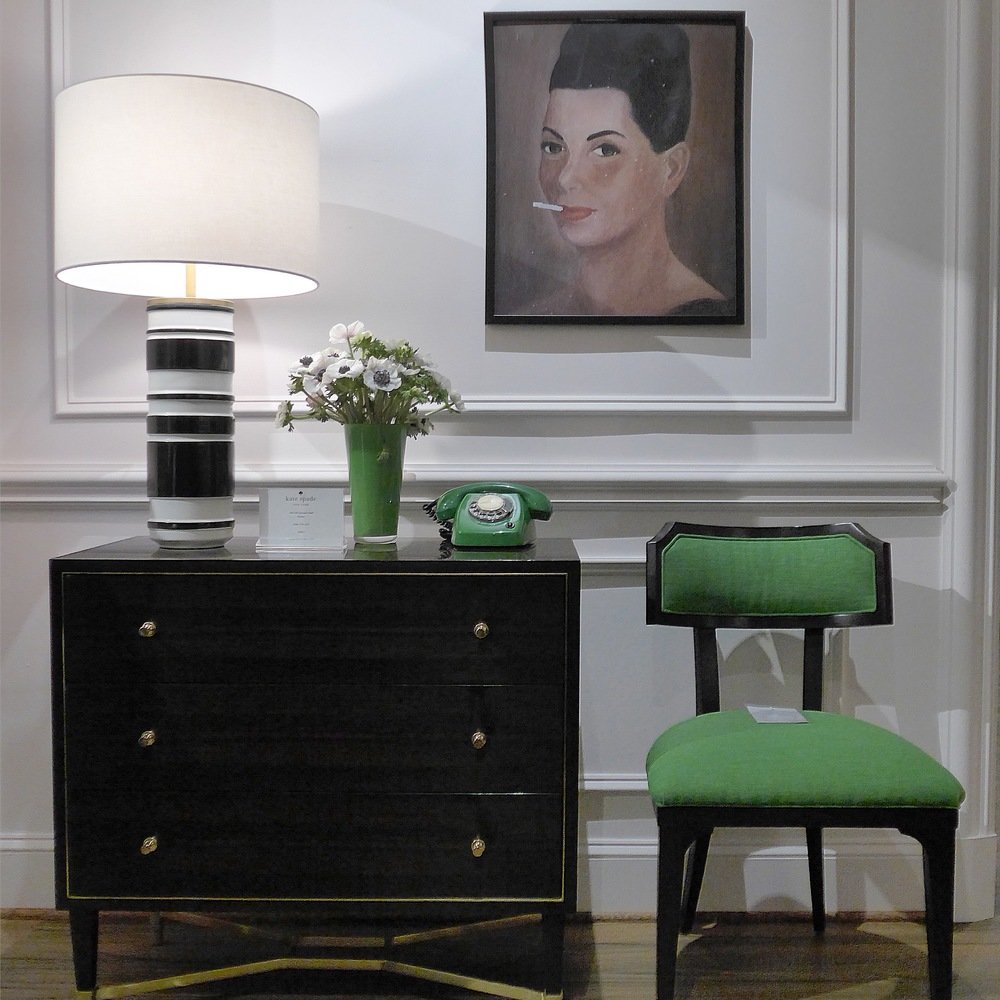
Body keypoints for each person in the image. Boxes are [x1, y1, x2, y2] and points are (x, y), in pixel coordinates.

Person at [525, 22, 729, 317]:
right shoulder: (538, 316)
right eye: (553, 147)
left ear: (671, 169)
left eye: (605, 150)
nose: (565, 178)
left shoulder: (706, 315)